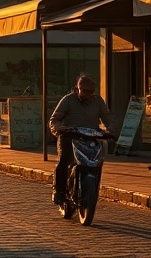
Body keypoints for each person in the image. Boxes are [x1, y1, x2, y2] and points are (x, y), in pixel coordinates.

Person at [48, 75, 114, 206]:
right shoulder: (67, 100)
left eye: (90, 92)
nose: (87, 95)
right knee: (64, 161)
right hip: (69, 136)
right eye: (84, 91)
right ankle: (59, 191)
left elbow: (108, 119)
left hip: (90, 138)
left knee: (97, 161)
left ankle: (92, 188)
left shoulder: (98, 101)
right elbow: (54, 120)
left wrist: (111, 131)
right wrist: (60, 128)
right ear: (77, 89)